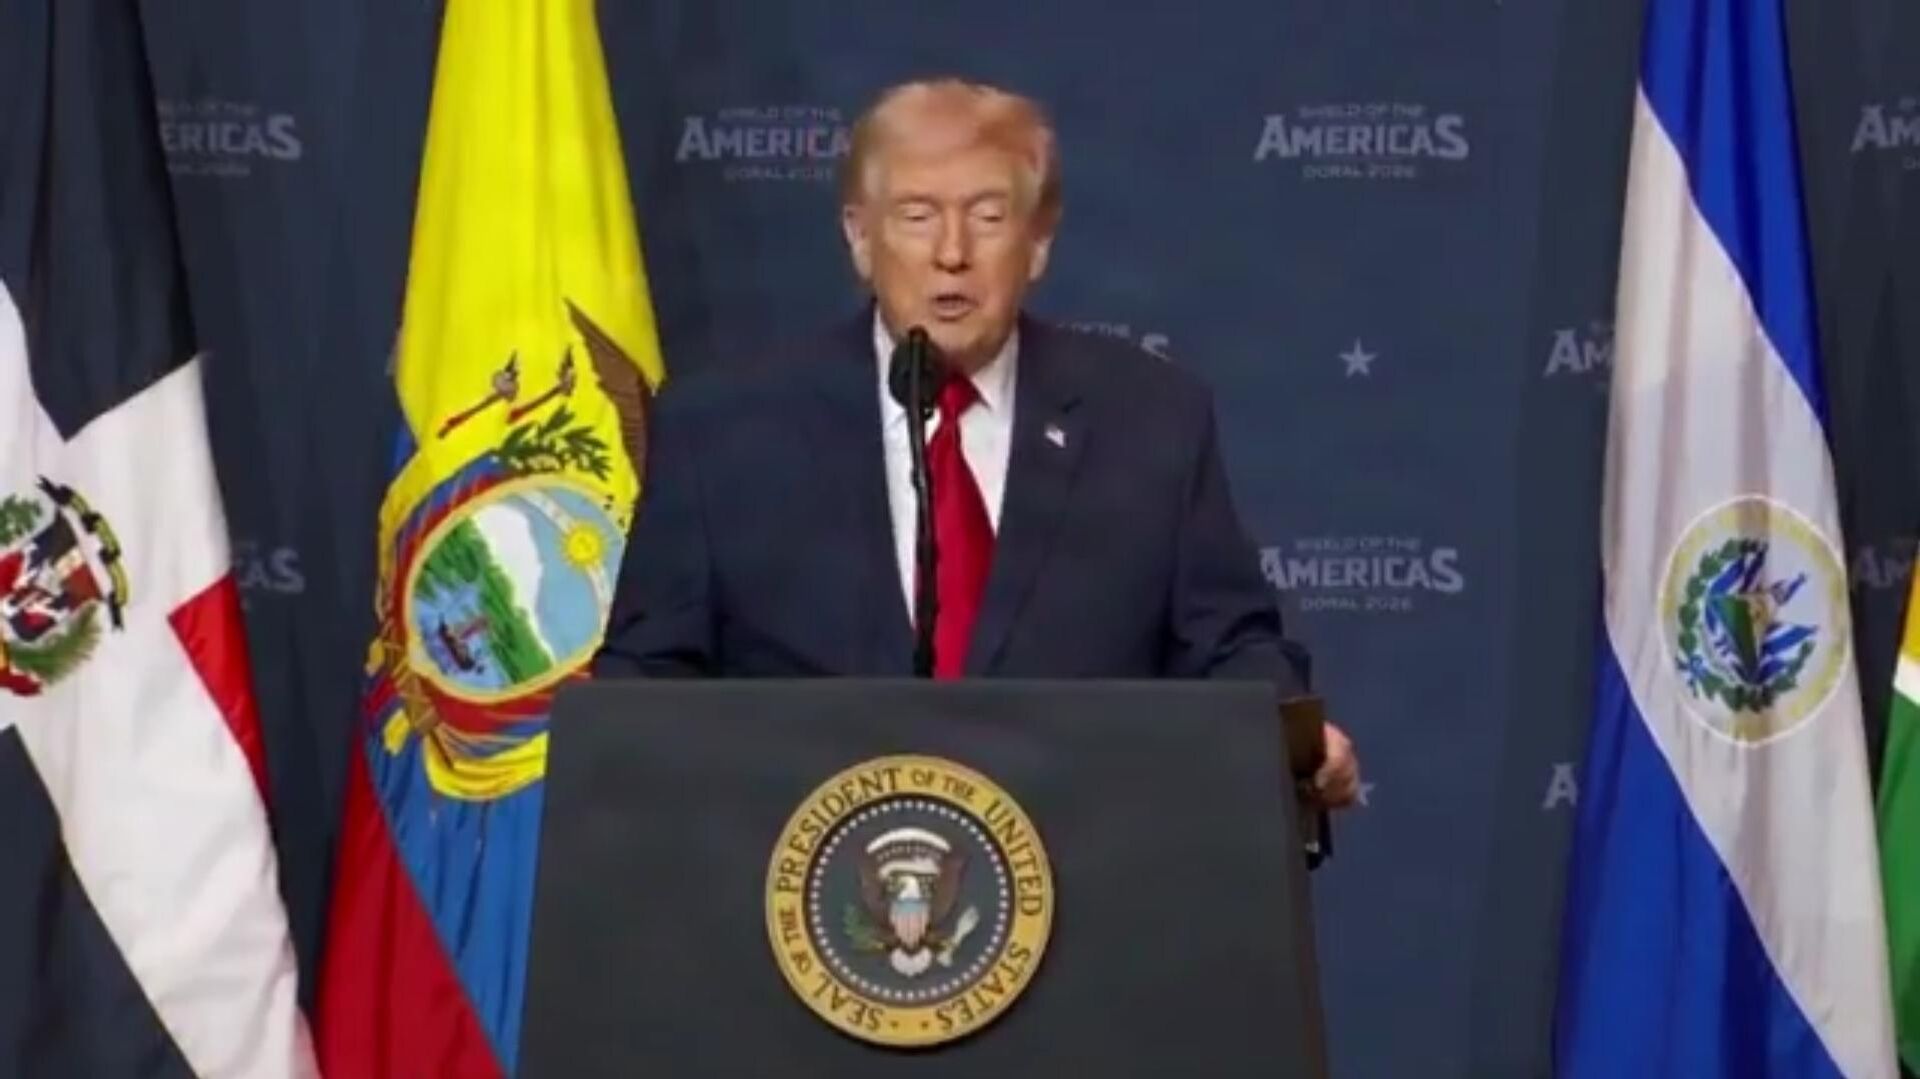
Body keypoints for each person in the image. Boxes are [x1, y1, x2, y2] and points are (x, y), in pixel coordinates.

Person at [590, 77, 1359, 809]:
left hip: (1087, 859)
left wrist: (1289, 733)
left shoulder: (1150, 420)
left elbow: (1232, 647)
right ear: (860, 236)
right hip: (798, 868)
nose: (951, 252)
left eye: (988, 217)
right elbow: (647, 679)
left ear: (1038, 241)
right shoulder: (724, 430)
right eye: (917, 215)